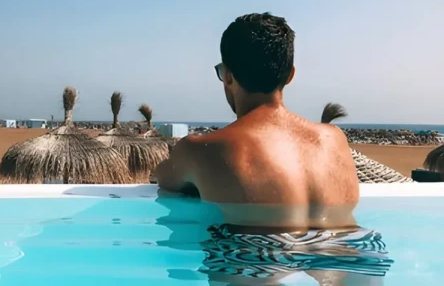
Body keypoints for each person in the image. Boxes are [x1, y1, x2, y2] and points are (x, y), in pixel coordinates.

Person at [153, 12, 360, 231]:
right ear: (290, 75)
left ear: (228, 76)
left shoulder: (202, 150)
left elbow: (165, 179)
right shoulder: (334, 139)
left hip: (254, 261)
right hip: (347, 253)